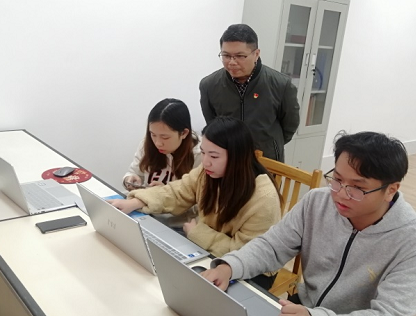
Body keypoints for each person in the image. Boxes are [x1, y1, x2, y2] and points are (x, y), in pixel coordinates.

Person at [201, 131, 416, 316]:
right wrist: (230, 266)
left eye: (357, 188)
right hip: (308, 315)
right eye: (337, 179)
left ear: (390, 190)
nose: (340, 194)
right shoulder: (317, 202)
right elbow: (272, 246)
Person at [111, 117, 283, 288]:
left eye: (214, 156)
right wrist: (137, 201)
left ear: (237, 157)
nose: (206, 161)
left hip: (251, 271)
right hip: (211, 252)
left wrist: (197, 233)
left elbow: (246, 254)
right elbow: (178, 191)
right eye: (203, 152)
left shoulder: (263, 198)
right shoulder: (208, 172)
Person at [199, 24, 300, 162]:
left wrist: (270, 145)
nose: (231, 62)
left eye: (240, 56)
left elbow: (290, 126)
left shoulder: (281, 84)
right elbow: (213, 125)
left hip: (267, 160)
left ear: (256, 54)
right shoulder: (209, 85)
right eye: (226, 55)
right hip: (228, 159)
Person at [123, 98, 201, 191]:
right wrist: (129, 179)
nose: (158, 143)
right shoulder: (147, 144)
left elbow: (199, 196)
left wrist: (166, 193)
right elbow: (134, 172)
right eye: (153, 134)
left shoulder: (200, 154)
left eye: (165, 137)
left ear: (184, 133)